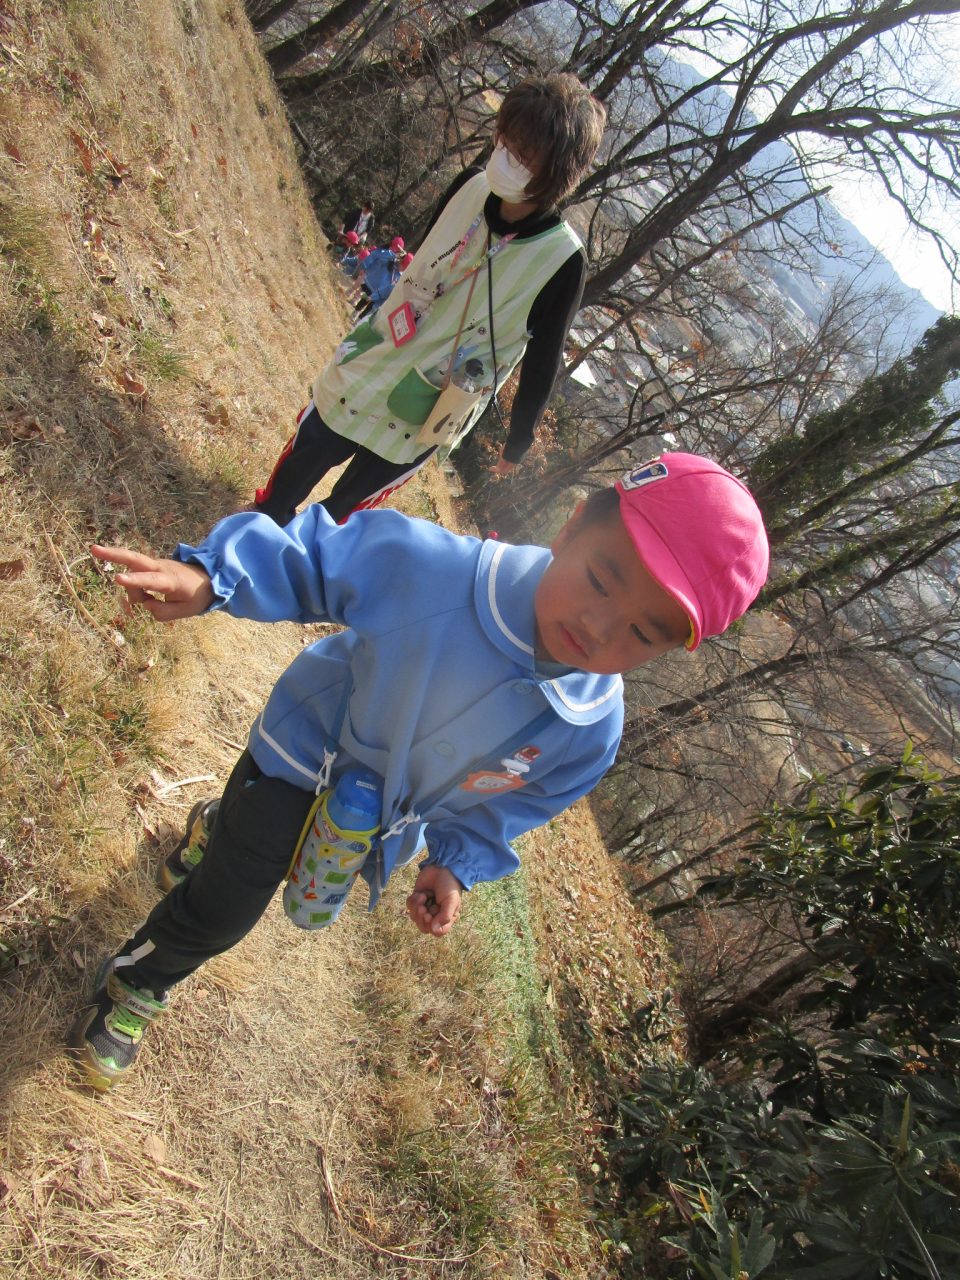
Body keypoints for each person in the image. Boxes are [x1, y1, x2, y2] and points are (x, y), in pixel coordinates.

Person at [69, 453, 769, 1090]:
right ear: (574, 525)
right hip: (302, 756)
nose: (600, 626)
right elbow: (318, 558)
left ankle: (217, 831)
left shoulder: (588, 731)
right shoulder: (441, 572)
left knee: (264, 863)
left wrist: (455, 862)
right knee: (226, 908)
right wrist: (213, 576)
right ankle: (138, 981)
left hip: (367, 824)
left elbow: (511, 804)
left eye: (642, 632)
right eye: (601, 579)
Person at [251, 74, 607, 525]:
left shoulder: (562, 260)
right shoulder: (470, 185)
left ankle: (297, 557)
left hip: (433, 400)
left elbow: (544, 359)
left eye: (523, 155)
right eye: (505, 140)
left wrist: (519, 438)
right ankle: (261, 523)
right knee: (310, 448)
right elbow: (425, 260)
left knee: (346, 507)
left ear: (556, 173)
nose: (505, 157)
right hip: (382, 353)